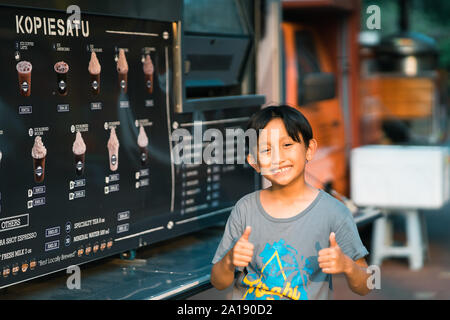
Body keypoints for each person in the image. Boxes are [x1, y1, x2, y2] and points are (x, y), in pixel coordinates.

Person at [210, 105, 371, 300]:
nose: (278, 158)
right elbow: (218, 282)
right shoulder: (245, 209)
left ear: (309, 150)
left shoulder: (334, 212)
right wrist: (229, 261)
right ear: (254, 162)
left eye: (287, 145)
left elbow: (366, 285)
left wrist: (347, 266)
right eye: (266, 150)